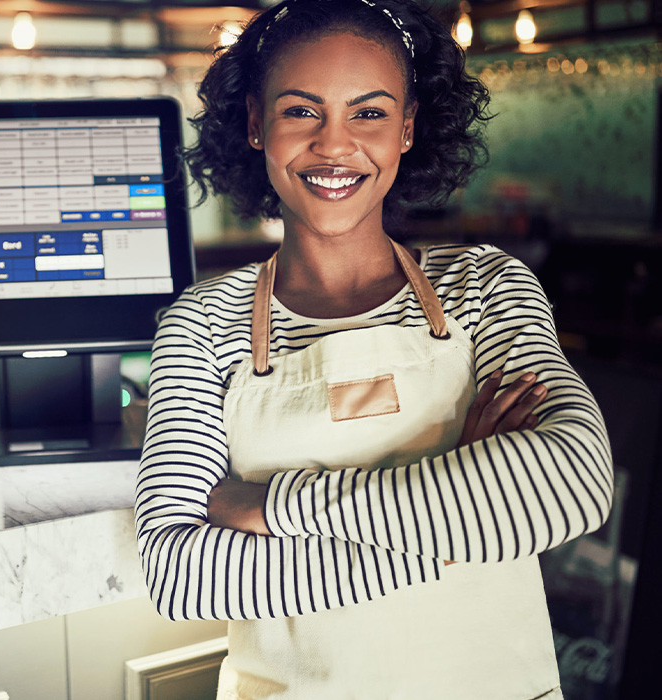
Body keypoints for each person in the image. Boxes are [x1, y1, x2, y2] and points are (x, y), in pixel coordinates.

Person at [135, 0, 613, 697]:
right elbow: (182, 574)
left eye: (369, 113)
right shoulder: (202, 325)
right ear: (255, 126)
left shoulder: (486, 287)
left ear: (408, 129)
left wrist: (276, 507)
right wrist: (463, 516)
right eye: (301, 111)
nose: (334, 145)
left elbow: (570, 483)